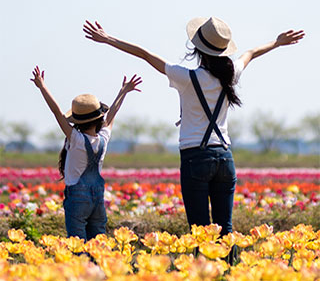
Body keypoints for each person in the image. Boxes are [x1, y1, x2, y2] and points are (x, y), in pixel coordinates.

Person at [82, 17, 305, 238]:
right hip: (225, 157)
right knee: (224, 229)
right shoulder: (231, 74)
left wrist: (108, 39)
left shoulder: (186, 77)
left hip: (195, 157)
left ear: (198, 49)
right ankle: (232, 270)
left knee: (199, 231)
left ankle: (204, 272)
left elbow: (146, 54)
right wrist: (277, 42)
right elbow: (251, 53)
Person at [31, 66, 142, 240]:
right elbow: (112, 113)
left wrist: (42, 87)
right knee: (98, 244)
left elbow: (56, 112)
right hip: (97, 199)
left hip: (77, 199)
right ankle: (98, 267)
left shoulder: (76, 139)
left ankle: (82, 266)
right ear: (99, 119)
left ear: (77, 121)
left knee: (78, 244)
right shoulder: (103, 139)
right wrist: (124, 91)